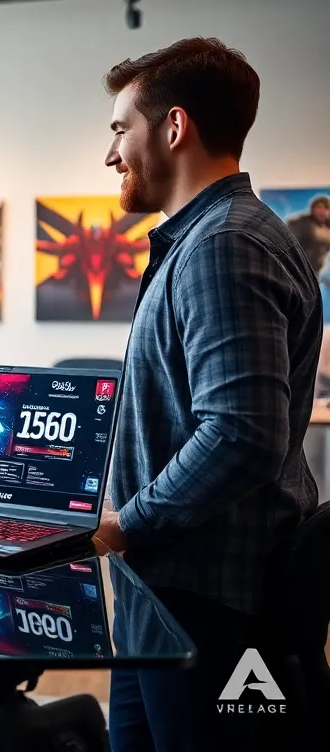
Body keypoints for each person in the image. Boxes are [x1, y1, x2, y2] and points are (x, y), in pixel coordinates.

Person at [94, 37, 319, 752]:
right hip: (164, 593)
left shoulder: (225, 244)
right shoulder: (207, 240)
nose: (109, 155)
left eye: (119, 130)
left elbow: (240, 433)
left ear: (174, 127)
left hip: (208, 603)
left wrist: (128, 523)